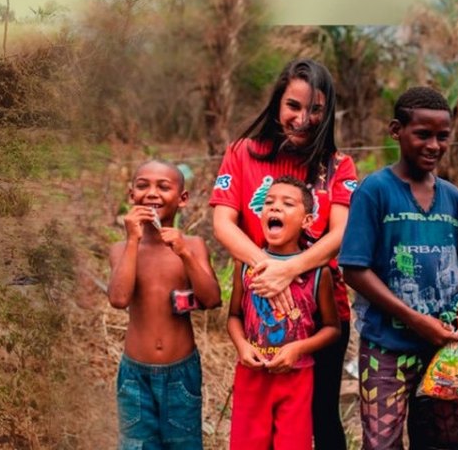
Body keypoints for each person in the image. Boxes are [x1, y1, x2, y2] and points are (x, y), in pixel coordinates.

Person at [210, 58, 357, 449]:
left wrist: (290, 269)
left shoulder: (338, 166)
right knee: (258, 427)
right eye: (294, 105)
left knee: (322, 418)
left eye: (315, 110)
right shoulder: (243, 153)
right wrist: (267, 269)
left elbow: (341, 233)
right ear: (278, 102)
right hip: (259, 307)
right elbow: (223, 224)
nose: (303, 118)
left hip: (321, 314)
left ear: (327, 114)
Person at [339, 86, 458, 449]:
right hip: (386, 346)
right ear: (396, 130)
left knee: (440, 440)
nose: (434, 145)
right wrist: (416, 319)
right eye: (423, 134)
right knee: (382, 441)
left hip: (443, 348)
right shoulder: (375, 191)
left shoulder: (453, 198)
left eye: (442, 136)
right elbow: (354, 268)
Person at [108, 160, 222, 450]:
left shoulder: (193, 245)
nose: (152, 193)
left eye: (164, 187)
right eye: (143, 185)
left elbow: (212, 299)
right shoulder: (121, 250)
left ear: (182, 199)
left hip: (181, 375)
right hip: (135, 377)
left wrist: (184, 253)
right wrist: (133, 240)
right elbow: (119, 299)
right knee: (136, 445)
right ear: (131, 194)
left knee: (183, 443)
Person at [227, 175, 340, 450]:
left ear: (307, 221)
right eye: (268, 202)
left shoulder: (317, 273)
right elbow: (234, 317)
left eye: (287, 204)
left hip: (297, 378)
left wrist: (298, 348)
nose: (275, 208)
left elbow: (332, 329)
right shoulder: (245, 265)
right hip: (251, 376)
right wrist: (242, 345)